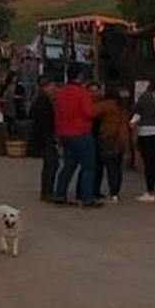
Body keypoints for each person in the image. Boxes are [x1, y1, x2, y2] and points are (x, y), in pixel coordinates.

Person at [52, 66, 101, 207]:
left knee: (69, 165)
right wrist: (99, 108)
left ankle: (60, 194)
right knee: (88, 167)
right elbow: (89, 113)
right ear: (80, 76)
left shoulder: (61, 93)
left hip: (64, 133)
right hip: (81, 133)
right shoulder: (82, 93)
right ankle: (87, 198)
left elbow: (57, 114)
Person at [92, 82, 129, 203]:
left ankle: (97, 191)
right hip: (120, 138)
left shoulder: (107, 104)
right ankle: (115, 193)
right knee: (116, 167)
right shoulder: (121, 106)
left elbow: (91, 112)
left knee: (105, 166)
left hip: (108, 137)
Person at [132, 80, 155, 203]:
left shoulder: (144, 97)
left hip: (146, 131)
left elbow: (137, 110)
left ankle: (149, 191)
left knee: (149, 163)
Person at [28, 77, 59, 201]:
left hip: (45, 136)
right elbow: (43, 121)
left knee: (51, 164)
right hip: (46, 137)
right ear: (47, 87)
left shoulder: (42, 99)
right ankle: (47, 191)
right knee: (51, 163)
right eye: (53, 87)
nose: (55, 90)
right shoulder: (43, 101)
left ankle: (47, 190)